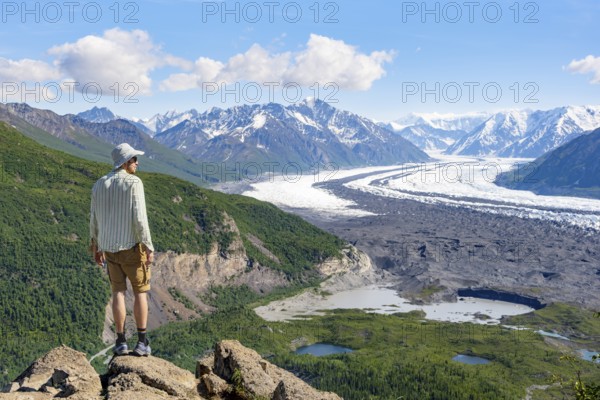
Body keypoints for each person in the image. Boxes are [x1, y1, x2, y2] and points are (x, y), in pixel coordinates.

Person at [89, 143, 154, 356]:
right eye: (134, 159)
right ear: (125, 162)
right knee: (140, 292)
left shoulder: (99, 184)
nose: (137, 163)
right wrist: (148, 245)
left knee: (118, 292)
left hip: (109, 248)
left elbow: (94, 218)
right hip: (132, 247)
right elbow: (140, 218)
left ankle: (120, 341)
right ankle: (142, 342)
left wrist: (95, 245)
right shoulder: (134, 183)